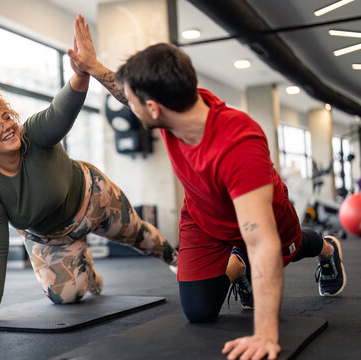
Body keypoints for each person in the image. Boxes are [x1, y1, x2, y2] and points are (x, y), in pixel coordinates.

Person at [67, 14, 346, 360]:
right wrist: (93, 67)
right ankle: (237, 265)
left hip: (265, 223)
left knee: (285, 247)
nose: (128, 104)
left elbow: (261, 243)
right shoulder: (181, 101)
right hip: (202, 219)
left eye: (135, 102)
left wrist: (265, 335)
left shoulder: (237, 145)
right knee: (198, 312)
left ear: (153, 109)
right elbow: (128, 93)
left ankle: (326, 248)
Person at [0, 25, 178, 327]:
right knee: (66, 297)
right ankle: (85, 266)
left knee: (140, 236)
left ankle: (176, 259)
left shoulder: (34, 134)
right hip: (50, 237)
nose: (7, 126)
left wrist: (82, 73)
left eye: (6, 117)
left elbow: (62, 110)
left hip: (93, 199)